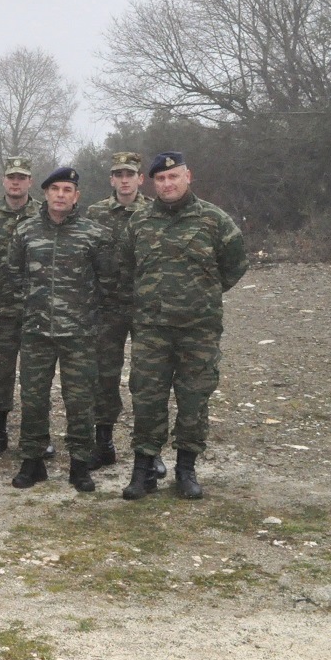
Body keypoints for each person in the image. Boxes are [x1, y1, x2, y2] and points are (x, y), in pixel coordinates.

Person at [122, 152, 247, 500]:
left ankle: (186, 469)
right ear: (153, 183)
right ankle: (143, 469)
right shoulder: (140, 221)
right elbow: (126, 265)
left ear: (188, 177)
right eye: (160, 179)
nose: (167, 184)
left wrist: (203, 293)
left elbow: (235, 264)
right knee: (147, 398)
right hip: (151, 328)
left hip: (199, 329)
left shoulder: (214, 220)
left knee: (194, 399)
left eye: (173, 177)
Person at [7, 168, 118, 492]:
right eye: (54, 188)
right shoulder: (25, 231)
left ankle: (80, 465)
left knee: (80, 401)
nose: (60, 194)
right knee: (33, 399)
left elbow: (108, 281)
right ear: (45, 193)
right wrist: (27, 312)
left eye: (67, 189)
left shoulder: (93, 234)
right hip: (37, 332)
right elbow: (13, 277)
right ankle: (33, 462)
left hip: (79, 335)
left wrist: (91, 319)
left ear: (76, 196)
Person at [84, 151, 153, 470]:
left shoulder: (155, 212)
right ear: (111, 179)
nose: (125, 180)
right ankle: (104, 443)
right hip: (106, 308)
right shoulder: (95, 213)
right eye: (118, 174)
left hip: (145, 308)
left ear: (141, 178)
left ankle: (148, 450)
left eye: (130, 174)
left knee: (148, 378)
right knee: (104, 376)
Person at [0, 157, 43, 461]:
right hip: (1, 310)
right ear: (3, 181)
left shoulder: (44, 214)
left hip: (37, 310)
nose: (16, 182)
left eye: (22, 177)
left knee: (36, 377)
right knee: (2, 374)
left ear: (30, 181)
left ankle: (36, 436)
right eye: (11, 177)